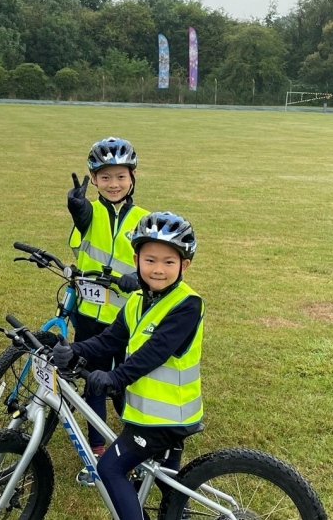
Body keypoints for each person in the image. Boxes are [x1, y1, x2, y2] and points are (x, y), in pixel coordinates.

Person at [51, 211, 203, 520]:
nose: (158, 269)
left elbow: (154, 352)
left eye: (168, 262)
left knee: (109, 468)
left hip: (164, 419)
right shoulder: (136, 300)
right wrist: (73, 348)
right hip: (150, 413)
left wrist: (115, 378)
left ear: (184, 265)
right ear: (136, 260)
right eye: (149, 260)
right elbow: (110, 340)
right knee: (168, 484)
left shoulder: (187, 304)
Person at [67, 137, 148, 485]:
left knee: (128, 383)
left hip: (128, 320)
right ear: (94, 180)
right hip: (88, 317)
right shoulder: (91, 213)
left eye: (120, 177)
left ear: (132, 178)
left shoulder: (145, 219)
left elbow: (156, 265)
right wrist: (78, 209)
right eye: (105, 178)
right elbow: (84, 225)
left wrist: (138, 278)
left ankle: (136, 447)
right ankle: (97, 451)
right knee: (94, 383)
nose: (113, 184)